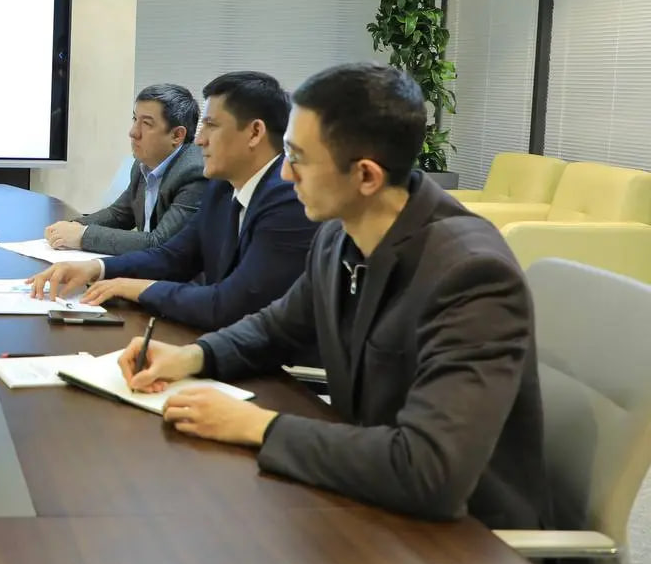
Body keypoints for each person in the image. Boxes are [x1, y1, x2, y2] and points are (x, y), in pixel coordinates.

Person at [118, 62, 547, 529]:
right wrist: (193, 357)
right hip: (366, 499)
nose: (285, 174)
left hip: (467, 542)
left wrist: (257, 425)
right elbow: (276, 327)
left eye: (299, 158)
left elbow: (429, 469)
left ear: (366, 176)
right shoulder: (339, 235)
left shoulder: (471, 275)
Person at [29, 71, 317, 333]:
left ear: (255, 132)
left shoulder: (288, 200)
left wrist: (134, 287)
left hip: (286, 363)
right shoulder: (222, 187)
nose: (199, 140)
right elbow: (173, 257)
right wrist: (96, 268)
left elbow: (230, 305)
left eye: (211, 126)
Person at [44, 83, 205, 254]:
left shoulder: (195, 172)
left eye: (146, 124)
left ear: (177, 135)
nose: (133, 132)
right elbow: (119, 214)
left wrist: (83, 236)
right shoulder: (144, 164)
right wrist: (74, 226)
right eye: (135, 119)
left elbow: (161, 244)